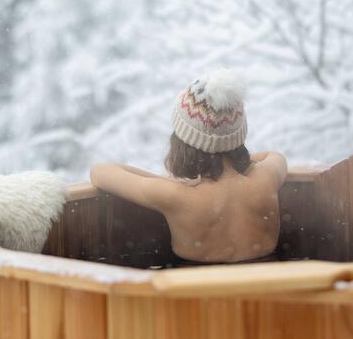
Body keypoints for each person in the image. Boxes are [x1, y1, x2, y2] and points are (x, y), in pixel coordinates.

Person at [89, 69, 287, 263]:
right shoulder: (266, 178)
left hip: (197, 292)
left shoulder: (176, 195)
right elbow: (274, 155)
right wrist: (233, 155)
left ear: (183, 143)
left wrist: (170, 182)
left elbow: (99, 172)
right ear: (238, 137)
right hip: (264, 291)